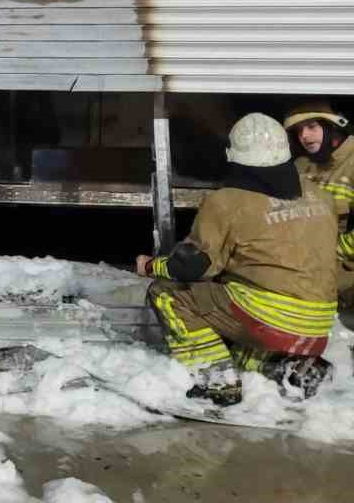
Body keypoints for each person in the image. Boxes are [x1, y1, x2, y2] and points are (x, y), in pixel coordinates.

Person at [134, 113, 339, 406]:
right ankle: (292, 368)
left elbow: (193, 267)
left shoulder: (227, 200)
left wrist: (151, 266)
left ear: (234, 156)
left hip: (269, 317)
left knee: (167, 294)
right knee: (239, 339)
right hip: (319, 323)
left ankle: (218, 382)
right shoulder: (318, 194)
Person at [284, 100, 354, 308]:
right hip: (304, 261)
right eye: (298, 131)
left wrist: (335, 250)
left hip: (342, 265)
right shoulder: (301, 165)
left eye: (312, 126)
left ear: (331, 126)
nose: (304, 136)